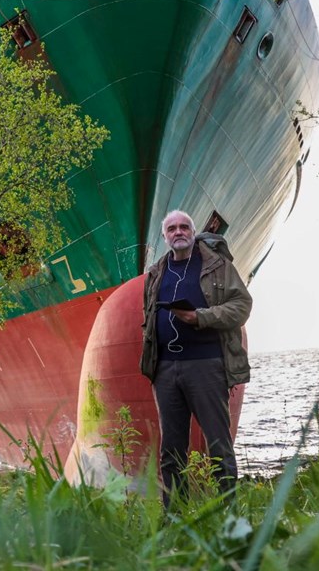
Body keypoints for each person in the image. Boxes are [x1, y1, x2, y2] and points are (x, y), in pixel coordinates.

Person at [140, 209, 252, 506]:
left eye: (184, 227)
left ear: (193, 231)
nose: (179, 232)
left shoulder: (217, 264)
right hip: (165, 370)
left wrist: (201, 317)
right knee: (171, 450)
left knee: (218, 443)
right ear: (164, 236)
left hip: (206, 366)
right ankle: (174, 518)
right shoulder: (155, 273)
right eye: (172, 229)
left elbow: (242, 305)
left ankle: (230, 515)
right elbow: (147, 317)